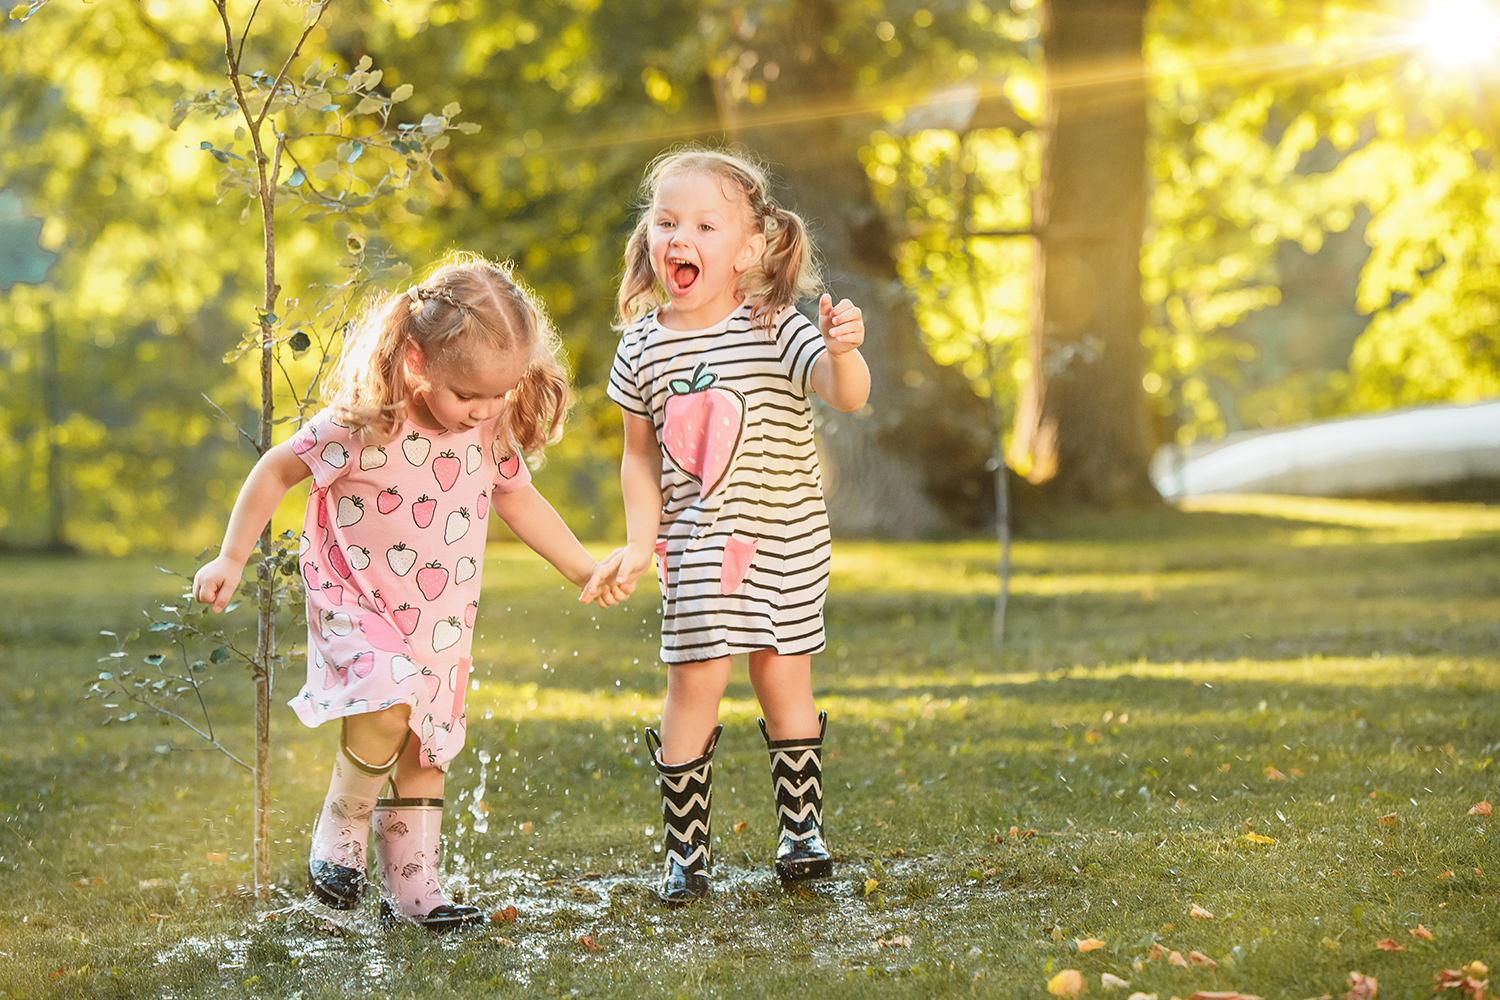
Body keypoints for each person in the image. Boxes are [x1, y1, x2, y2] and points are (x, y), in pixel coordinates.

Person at [194, 254, 628, 929]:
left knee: (428, 750)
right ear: (420, 361)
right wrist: (231, 555)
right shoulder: (367, 422)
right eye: (470, 395)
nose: (485, 410)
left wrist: (583, 569)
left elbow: (520, 499)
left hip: (439, 623)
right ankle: (342, 825)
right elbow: (277, 470)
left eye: (500, 394)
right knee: (390, 698)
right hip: (357, 602)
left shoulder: (486, 429)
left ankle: (416, 889)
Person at [581, 148, 870, 902]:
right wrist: (640, 542)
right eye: (666, 222)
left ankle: (801, 830)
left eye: (705, 226)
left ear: (747, 249)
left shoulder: (775, 325)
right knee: (696, 677)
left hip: (787, 537)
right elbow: (638, 458)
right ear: (649, 237)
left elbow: (845, 395)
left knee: (783, 668)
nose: (681, 237)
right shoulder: (641, 345)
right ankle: (686, 853)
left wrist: (844, 351)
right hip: (697, 542)